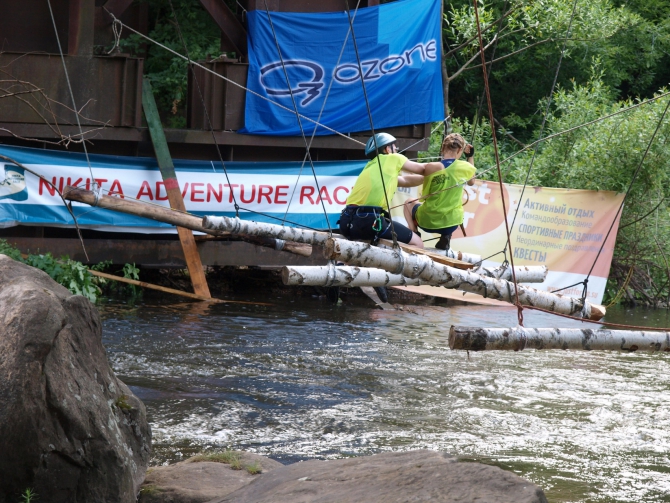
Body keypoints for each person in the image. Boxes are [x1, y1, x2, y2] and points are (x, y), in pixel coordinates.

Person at [338, 132, 426, 248]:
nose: (396, 149)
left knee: (358, 252)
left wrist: (427, 179)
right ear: (387, 149)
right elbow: (423, 168)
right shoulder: (392, 158)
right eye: (394, 146)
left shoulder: (372, 166)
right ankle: (395, 265)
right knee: (418, 243)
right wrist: (444, 168)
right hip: (369, 221)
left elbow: (406, 180)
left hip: (347, 221)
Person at [403, 133, 476, 251]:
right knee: (452, 212)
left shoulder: (432, 167)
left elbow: (424, 194)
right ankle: (446, 236)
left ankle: (414, 232)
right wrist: (470, 157)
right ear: (460, 150)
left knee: (408, 202)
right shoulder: (465, 167)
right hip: (451, 224)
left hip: (427, 222)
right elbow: (472, 181)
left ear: (442, 148)